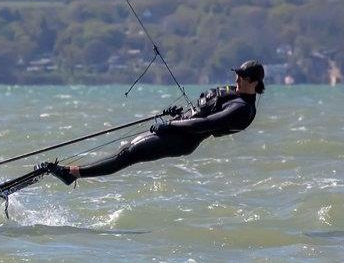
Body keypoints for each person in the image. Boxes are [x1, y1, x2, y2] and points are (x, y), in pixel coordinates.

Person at [47, 60, 265, 184]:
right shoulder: (234, 93)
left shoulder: (242, 109)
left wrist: (170, 125)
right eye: (237, 75)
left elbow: (205, 124)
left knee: (127, 155)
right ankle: (71, 172)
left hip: (181, 141)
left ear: (254, 82)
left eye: (242, 78)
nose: (236, 80)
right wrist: (179, 115)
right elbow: (201, 111)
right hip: (179, 130)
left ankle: (72, 174)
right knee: (127, 150)